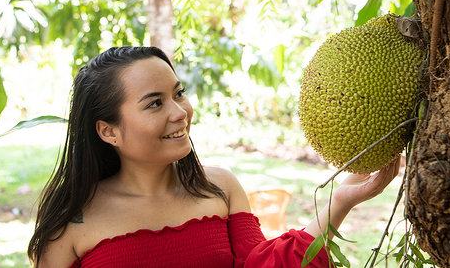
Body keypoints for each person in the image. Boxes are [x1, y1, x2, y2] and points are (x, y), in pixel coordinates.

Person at [28, 46, 400, 268]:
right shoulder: (71, 219)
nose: (180, 112)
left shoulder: (219, 187)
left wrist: (340, 201)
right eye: (155, 103)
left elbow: (263, 266)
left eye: (178, 93)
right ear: (108, 131)